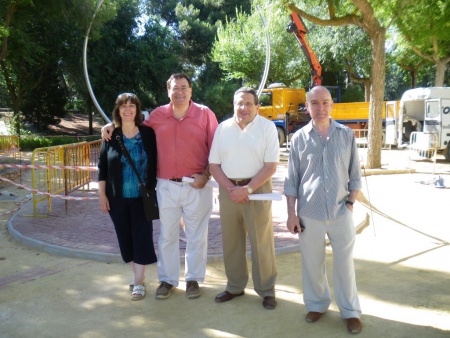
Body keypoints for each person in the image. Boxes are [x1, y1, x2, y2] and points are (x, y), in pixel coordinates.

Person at [102, 74, 218, 300]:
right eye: (175, 88)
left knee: (197, 235)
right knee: (167, 235)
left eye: (184, 88)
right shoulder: (158, 115)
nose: (180, 92)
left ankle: (193, 279)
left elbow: (217, 148)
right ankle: (167, 280)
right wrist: (110, 125)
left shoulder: (205, 114)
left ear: (191, 91)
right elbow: (132, 126)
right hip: (165, 185)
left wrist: (206, 174)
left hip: (198, 184)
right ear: (168, 91)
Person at [284, 86, 363, 334]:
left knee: (345, 264)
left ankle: (350, 311)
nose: (320, 108)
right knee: (312, 263)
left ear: (332, 105)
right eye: (314, 103)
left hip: (341, 212)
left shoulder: (346, 135)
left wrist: (350, 204)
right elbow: (291, 180)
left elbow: (355, 175)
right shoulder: (298, 138)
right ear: (306, 107)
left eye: (325, 103)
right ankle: (317, 305)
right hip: (309, 213)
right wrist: (291, 213)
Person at [209, 87, 279, 310]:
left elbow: (270, 167)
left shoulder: (267, 128)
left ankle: (266, 290)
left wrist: (247, 189)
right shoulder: (223, 128)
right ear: (233, 105)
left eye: (249, 103)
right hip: (229, 190)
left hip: (257, 189)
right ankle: (235, 286)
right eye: (240, 103)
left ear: (257, 106)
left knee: (262, 241)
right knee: (231, 240)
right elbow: (214, 165)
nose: (244, 107)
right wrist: (231, 188)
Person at [98, 93, 158, 301]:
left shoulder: (148, 133)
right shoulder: (110, 135)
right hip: (117, 198)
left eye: (132, 105)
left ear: (138, 109)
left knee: (141, 238)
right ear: (118, 110)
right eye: (123, 106)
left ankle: (139, 282)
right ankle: (137, 275)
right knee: (125, 239)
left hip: (142, 197)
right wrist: (102, 195)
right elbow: (103, 167)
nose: (128, 109)